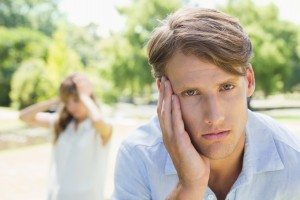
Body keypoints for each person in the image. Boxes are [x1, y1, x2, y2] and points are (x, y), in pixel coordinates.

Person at [113, 8, 300, 200]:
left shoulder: (295, 161)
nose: (214, 116)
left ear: (250, 81)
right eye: (191, 93)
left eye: (227, 87)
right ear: (163, 93)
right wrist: (189, 187)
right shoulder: (139, 156)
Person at [19, 73, 112, 200]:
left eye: (76, 100)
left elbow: (97, 119)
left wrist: (84, 95)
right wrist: (57, 99)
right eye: (67, 102)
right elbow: (24, 117)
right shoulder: (60, 124)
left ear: (89, 98)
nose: (71, 107)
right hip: (58, 195)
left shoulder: (101, 127)